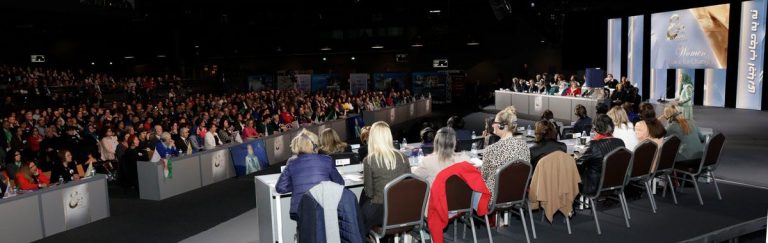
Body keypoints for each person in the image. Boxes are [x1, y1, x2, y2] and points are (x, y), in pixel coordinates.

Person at [275, 129, 344, 220]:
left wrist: (297, 184)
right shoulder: (327, 160)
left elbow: (280, 188)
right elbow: (340, 183)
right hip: (323, 207)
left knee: (304, 231)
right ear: (314, 146)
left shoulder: (291, 162)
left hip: (299, 209)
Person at [360, 121, 410, 234]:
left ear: (372, 138)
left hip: (381, 210)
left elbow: (369, 192)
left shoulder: (369, 160)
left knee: (359, 217)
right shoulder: (403, 157)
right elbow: (408, 182)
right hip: (402, 208)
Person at [481, 106, 531, 203]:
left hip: (494, 198)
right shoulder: (524, 146)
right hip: (518, 194)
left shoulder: (491, 150)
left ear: (502, 126)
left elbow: (483, 177)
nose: (492, 125)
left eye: (494, 123)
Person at [576, 114, 626, 196]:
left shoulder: (593, 145)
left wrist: (578, 152)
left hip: (593, 185)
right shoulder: (620, 142)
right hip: (616, 182)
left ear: (595, 128)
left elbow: (578, 163)